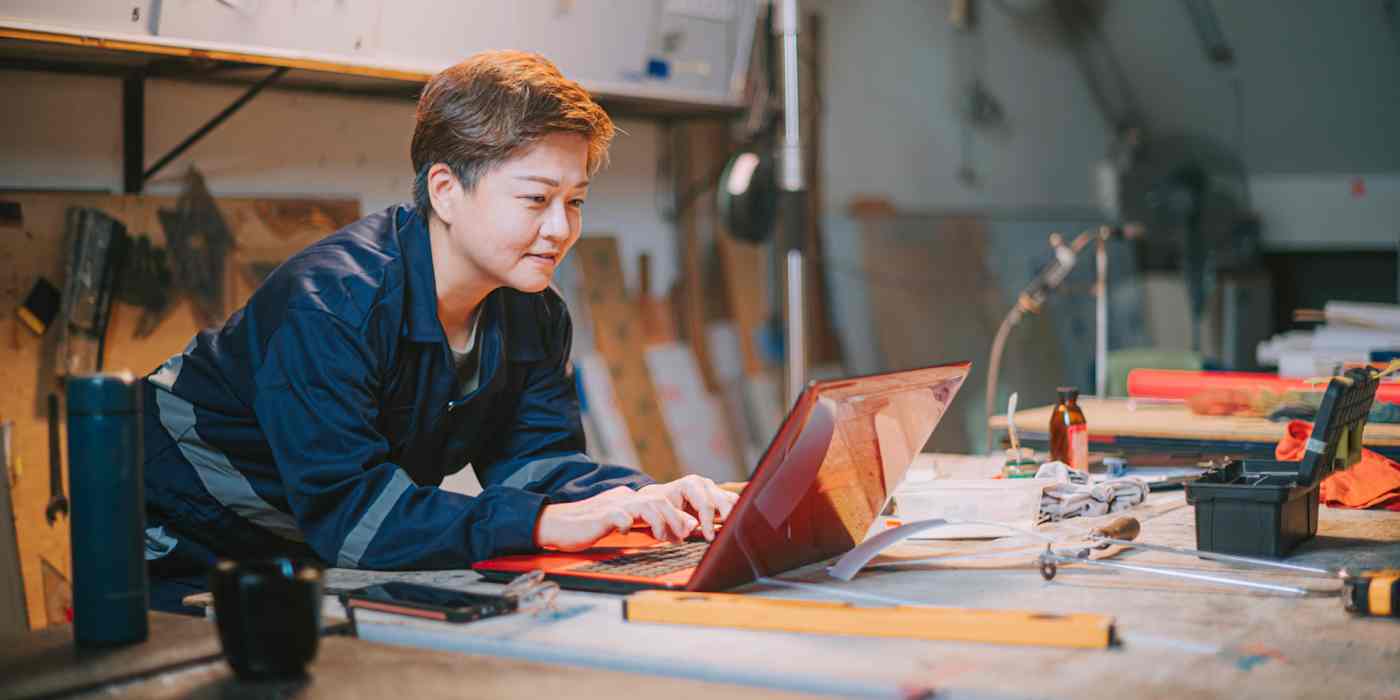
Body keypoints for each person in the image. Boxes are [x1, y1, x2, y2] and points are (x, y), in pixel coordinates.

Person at [141, 50, 738, 613]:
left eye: (575, 201)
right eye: (536, 199)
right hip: (181, 533)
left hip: (305, 544)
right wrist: (536, 523)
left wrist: (644, 500)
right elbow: (357, 520)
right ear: (446, 191)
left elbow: (536, 461)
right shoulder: (331, 306)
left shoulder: (533, 311)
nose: (560, 228)